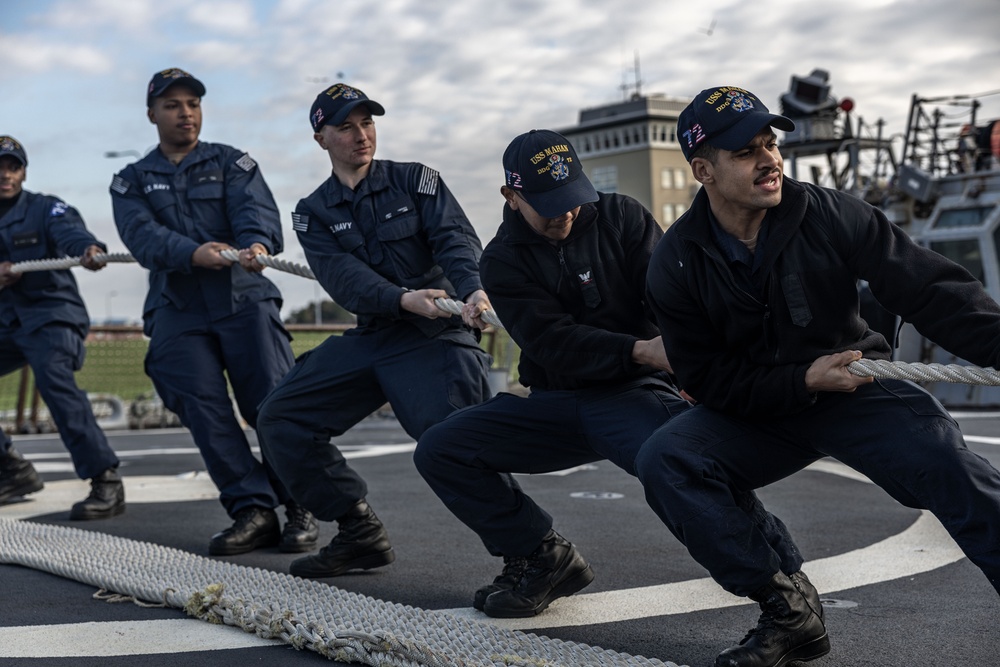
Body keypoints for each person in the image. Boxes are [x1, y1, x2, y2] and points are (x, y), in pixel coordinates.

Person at [644, 85, 1000, 667]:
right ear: (704, 170)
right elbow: (706, 379)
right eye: (745, 152)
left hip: (852, 389)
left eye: (770, 144)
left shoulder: (831, 213)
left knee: (947, 464)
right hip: (758, 408)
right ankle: (789, 612)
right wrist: (802, 381)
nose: (768, 160)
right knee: (669, 459)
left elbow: (930, 291)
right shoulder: (676, 260)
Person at [413, 129, 806, 620]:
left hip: (634, 392)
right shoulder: (501, 260)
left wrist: (697, 361)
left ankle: (783, 590)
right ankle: (541, 556)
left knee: (683, 463)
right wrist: (641, 350)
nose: (565, 213)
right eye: (548, 204)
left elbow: (672, 296)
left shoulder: (622, 216)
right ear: (511, 196)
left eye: (571, 198)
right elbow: (552, 341)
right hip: (556, 400)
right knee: (441, 448)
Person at [255, 83, 493, 579]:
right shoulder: (312, 212)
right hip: (378, 330)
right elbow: (344, 279)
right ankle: (358, 531)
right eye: (345, 126)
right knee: (281, 417)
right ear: (321, 138)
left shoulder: (417, 180)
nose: (361, 135)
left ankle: (536, 551)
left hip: (436, 332)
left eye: (367, 123)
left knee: (455, 442)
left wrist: (473, 290)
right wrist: (401, 299)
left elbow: (454, 239)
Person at [110, 69, 315, 556]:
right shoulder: (130, 180)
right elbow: (141, 235)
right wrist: (193, 253)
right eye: (173, 105)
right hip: (177, 308)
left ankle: (301, 503)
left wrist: (256, 243)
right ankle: (252, 510)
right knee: (205, 412)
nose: (186, 113)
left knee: (272, 405)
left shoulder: (232, 162)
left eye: (193, 103)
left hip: (244, 298)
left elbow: (255, 213)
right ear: (152, 114)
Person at [0, 135, 124, 520]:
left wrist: (88, 249)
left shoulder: (46, 208)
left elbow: (70, 232)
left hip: (51, 314)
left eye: (13, 167)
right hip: (6, 320)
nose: (5, 174)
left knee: (54, 378)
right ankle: (11, 468)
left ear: (24, 172)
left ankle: (106, 480)